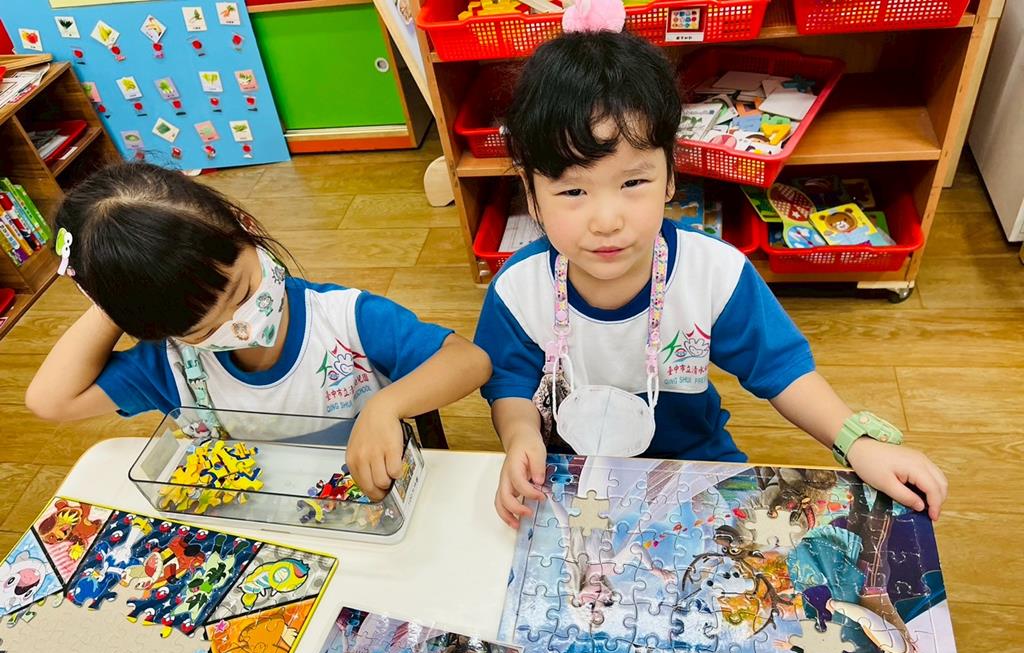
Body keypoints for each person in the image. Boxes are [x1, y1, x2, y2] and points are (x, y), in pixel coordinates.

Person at [472, 28, 947, 527]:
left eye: (633, 181)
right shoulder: (518, 289)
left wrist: (856, 441)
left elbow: (782, 368)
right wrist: (521, 435)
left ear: (671, 176)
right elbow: (509, 382)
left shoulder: (715, 272)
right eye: (573, 192)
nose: (607, 220)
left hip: (695, 465)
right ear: (531, 194)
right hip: (570, 472)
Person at [25, 163, 491, 499]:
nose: (240, 326)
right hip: (258, 520)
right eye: (205, 329)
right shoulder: (171, 364)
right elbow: (52, 401)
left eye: (241, 292)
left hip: (369, 500)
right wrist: (117, 300)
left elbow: (469, 360)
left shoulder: (346, 318)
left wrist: (385, 406)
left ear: (243, 227)